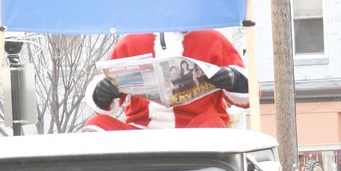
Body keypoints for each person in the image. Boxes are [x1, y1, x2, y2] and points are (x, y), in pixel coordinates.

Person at [85, 30, 250, 131]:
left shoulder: (214, 40)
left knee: (211, 125)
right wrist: (102, 92)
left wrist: (234, 79)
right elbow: (103, 105)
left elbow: (250, 97)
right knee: (96, 125)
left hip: (195, 129)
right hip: (139, 130)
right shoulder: (132, 42)